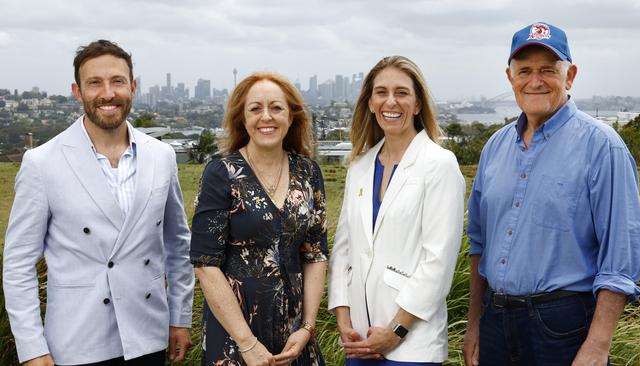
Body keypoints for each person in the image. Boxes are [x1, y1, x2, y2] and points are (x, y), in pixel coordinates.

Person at [463, 22, 640, 366]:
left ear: (571, 75)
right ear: (510, 77)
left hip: (563, 327)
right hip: (495, 321)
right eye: (525, 71)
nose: (535, 81)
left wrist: (598, 346)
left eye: (548, 70)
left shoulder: (602, 147)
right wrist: (474, 326)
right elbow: (479, 245)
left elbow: (621, 259)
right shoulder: (494, 147)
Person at [2, 40, 194, 366]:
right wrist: (32, 348)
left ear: (132, 87)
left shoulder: (161, 156)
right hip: (76, 342)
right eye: (95, 83)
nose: (108, 93)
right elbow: (18, 265)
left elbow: (178, 244)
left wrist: (180, 316)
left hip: (148, 334)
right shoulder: (42, 162)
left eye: (117, 81)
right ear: (78, 92)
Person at [328, 55, 466, 365]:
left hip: (411, 346)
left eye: (402, 92)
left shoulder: (439, 165)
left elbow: (438, 263)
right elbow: (343, 250)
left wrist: (396, 330)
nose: (391, 101)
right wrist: (343, 319)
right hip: (360, 342)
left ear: (418, 104)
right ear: (371, 103)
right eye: (381, 92)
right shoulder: (360, 166)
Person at [190, 71, 328, 366]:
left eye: (276, 107)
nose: (266, 117)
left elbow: (315, 255)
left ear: (291, 116)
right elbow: (205, 264)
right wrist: (247, 344)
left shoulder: (308, 173)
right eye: (255, 109)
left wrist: (307, 327)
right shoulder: (221, 174)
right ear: (242, 118)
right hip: (235, 338)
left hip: (295, 338)